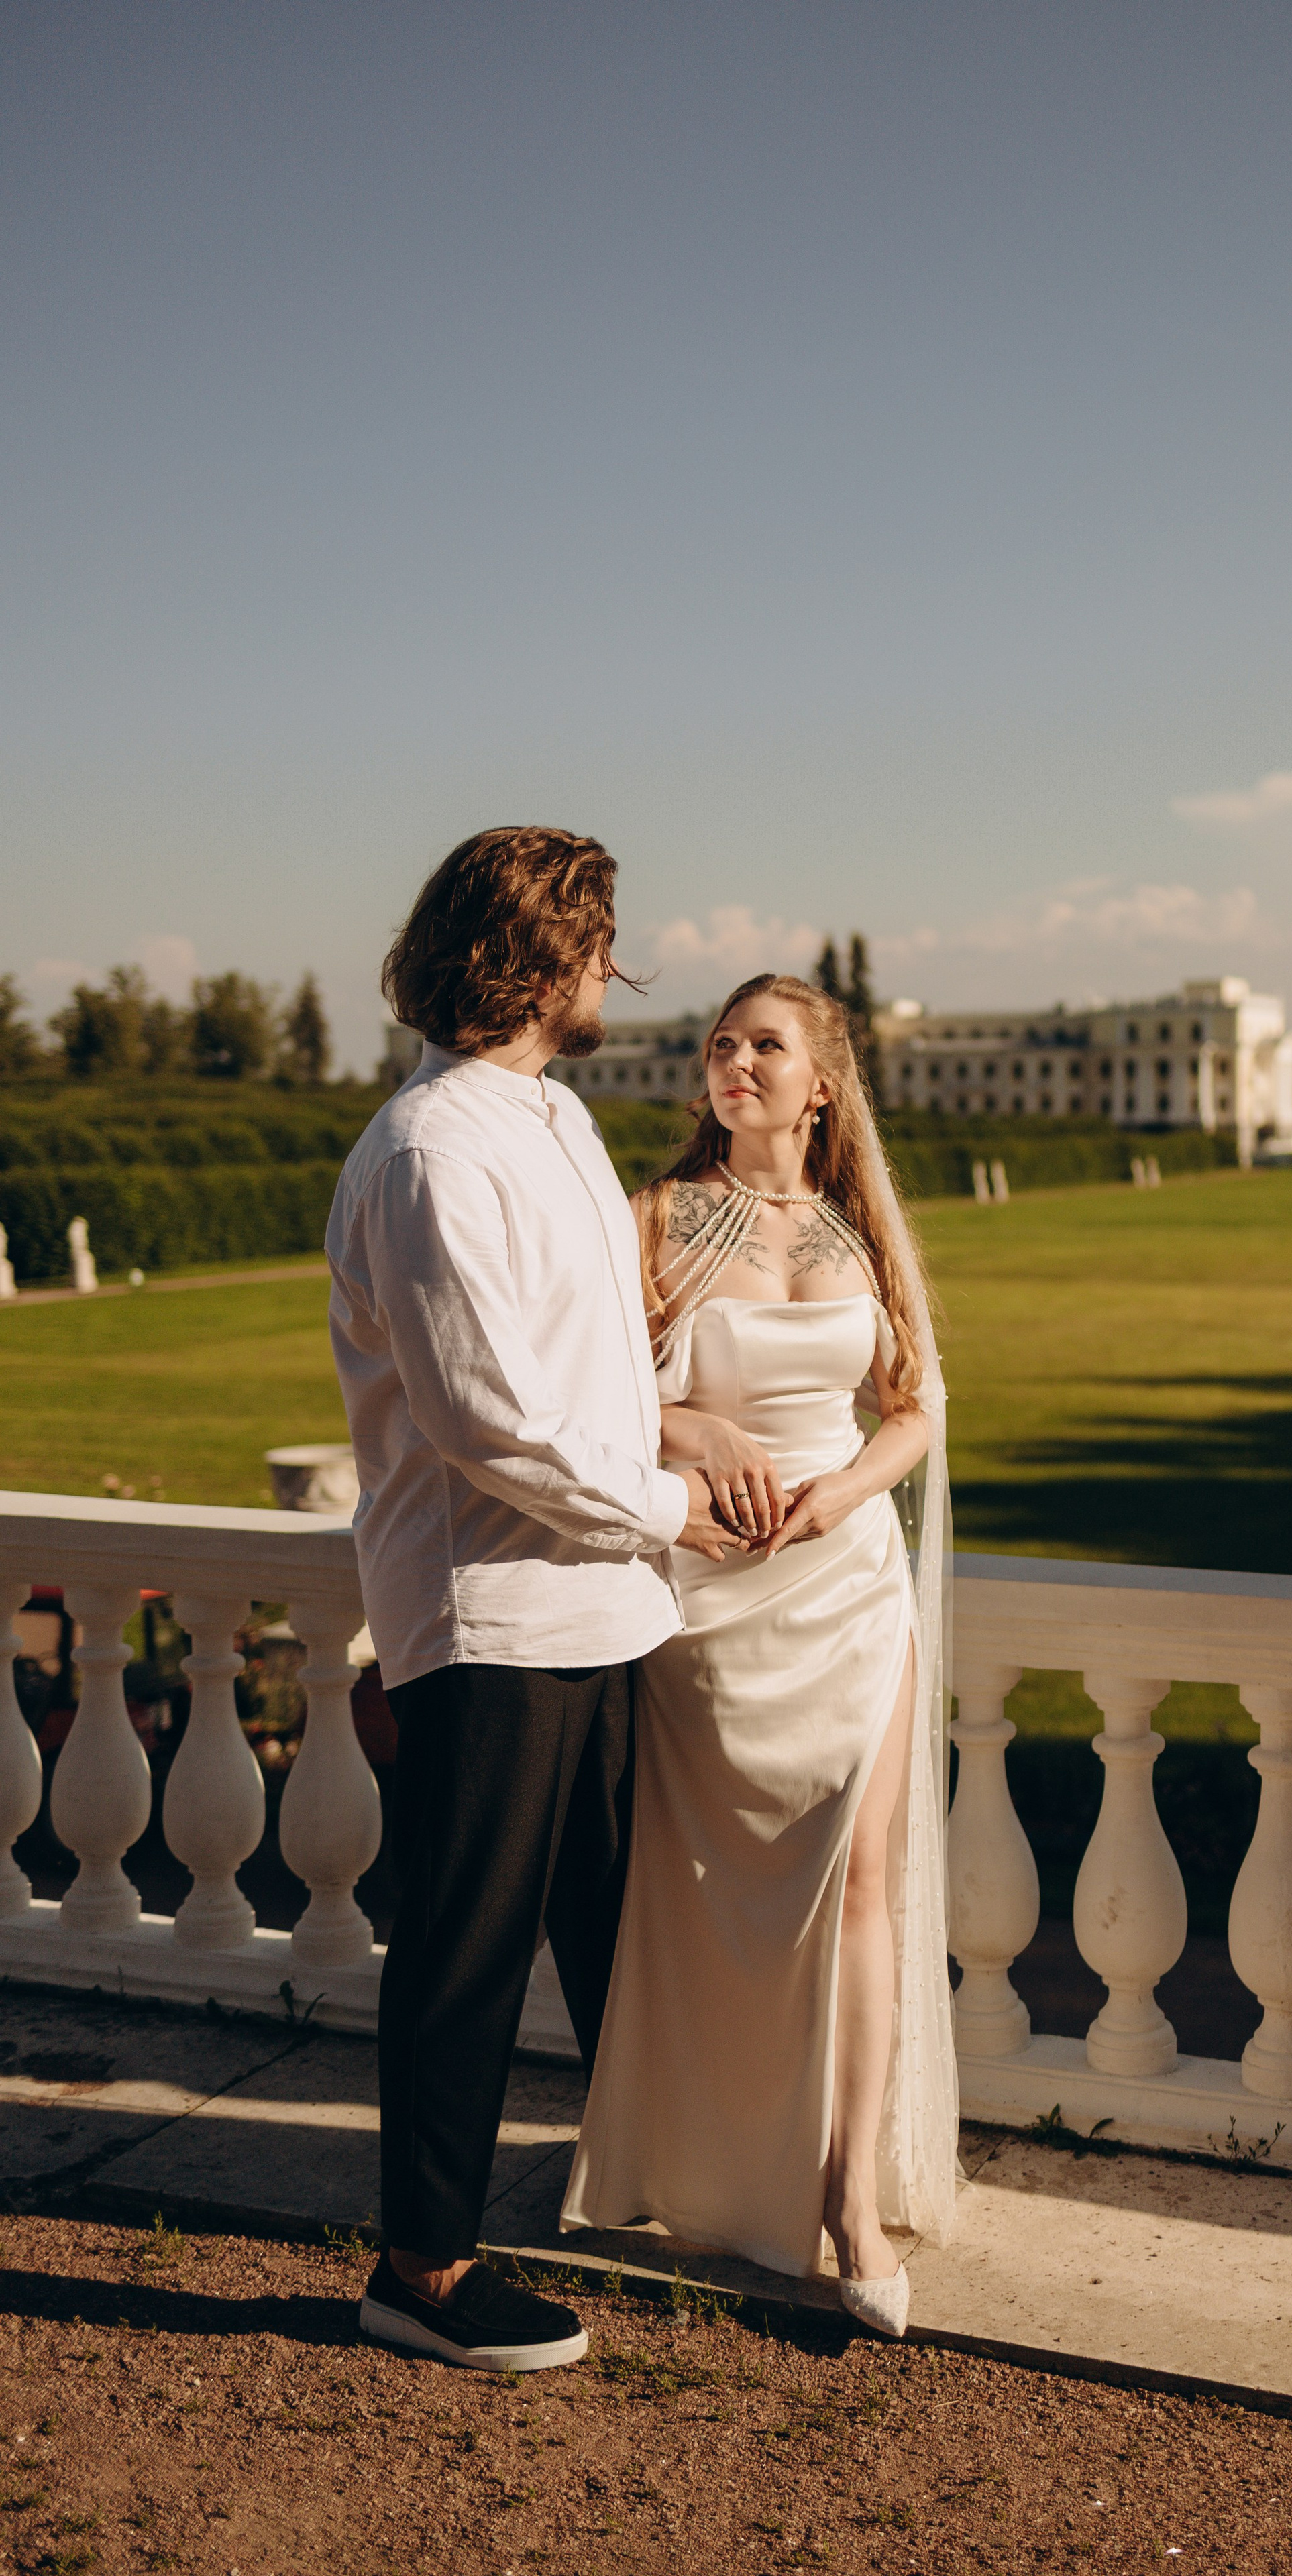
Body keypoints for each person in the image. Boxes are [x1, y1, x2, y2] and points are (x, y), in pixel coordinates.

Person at [324, 826, 736, 2373]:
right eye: (599, 939)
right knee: (464, 1943)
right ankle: (419, 2271)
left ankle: (655, 2182)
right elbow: (484, 1419)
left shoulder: (552, 1121)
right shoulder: (431, 1149)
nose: (616, 968)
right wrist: (670, 1506)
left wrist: (679, 1440)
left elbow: (590, 1368)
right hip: (489, 1614)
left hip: (608, 1603)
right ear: (534, 956)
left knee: (620, 1931)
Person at [561, 973, 959, 2336]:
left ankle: (847, 2203)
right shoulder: (653, 1218)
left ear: (821, 1080)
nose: (734, 1060)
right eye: (720, 1043)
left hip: (849, 1584)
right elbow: (589, 1397)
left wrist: (846, 1494)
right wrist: (705, 1437)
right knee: (712, 1894)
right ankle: (711, 2154)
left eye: (763, 1045)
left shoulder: (861, 1232)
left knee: (862, 1882)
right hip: (713, 1598)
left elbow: (913, 1406)